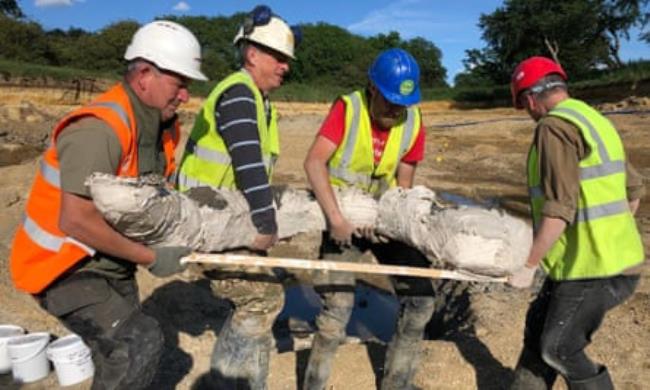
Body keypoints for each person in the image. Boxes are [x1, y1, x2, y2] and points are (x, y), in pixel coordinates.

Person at [8, 20, 207, 389]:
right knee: (137, 342)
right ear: (145, 74)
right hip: (62, 267)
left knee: (115, 359)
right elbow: (76, 220)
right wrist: (151, 257)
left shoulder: (161, 128)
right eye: (179, 83)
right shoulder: (100, 129)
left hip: (111, 263)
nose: (185, 96)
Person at [176, 5, 300, 388]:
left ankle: (248, 381)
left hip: (223, 212)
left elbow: (254, 169)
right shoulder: (239, 93)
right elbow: (247, 162)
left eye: (287, 60)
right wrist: (266, 223)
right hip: (206, 216)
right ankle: (227, 382)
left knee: (266, 296)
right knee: (262, 298)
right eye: (278, 57)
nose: (285, 67)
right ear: (252, 54)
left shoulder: (258, 100)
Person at [507, 56, 646, 389]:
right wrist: (610, 234)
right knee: (539, 327)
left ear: (529, 99)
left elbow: (558, 211)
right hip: (612, 261)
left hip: (593, 268)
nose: (528, 115)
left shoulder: (553, 127)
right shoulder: (593, 119)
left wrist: (528, 264)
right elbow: (634, 193)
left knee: (559, 347)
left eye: (524, 107)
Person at [302, 48, 435, 390]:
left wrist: (400, 228)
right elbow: (315, 162)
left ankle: (397, 383)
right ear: (372, 88)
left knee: (420, 300)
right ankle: (314, 384)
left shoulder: (413, 121)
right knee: (337, 308)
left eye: (401, 104)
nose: (395, 110)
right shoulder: (348, 109)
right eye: (389, 100)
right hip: (343, 217)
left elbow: (404, 185)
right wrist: (336, 220)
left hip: (384, 221)